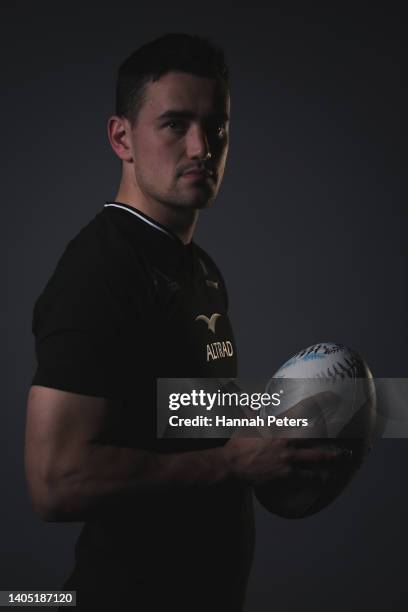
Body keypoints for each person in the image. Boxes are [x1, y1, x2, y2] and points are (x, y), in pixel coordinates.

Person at [25, 33, 352, 611]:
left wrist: (293, 409)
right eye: (175, 124)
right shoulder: (100, 270)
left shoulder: (197, 267)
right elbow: (56, 480)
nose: (203, 146)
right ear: (121, 137)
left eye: (217, 126)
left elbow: (172, 410)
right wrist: (232, 461)